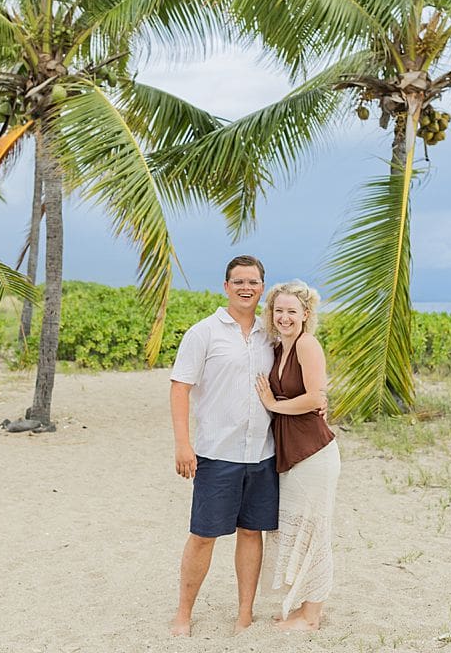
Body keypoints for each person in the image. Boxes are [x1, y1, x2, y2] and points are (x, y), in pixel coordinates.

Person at [168, 255, 277, 637]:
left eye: (253, 281)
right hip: (217, 453)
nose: (246, 288)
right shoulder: (204, 333)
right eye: (239, 281)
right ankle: (183, 614)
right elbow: (180, 388)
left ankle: (245, 614)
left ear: (262, 287)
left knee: (251, 532)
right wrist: (183, 445)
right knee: (203, 535)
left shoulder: (271, 335)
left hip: (263, 454)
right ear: (226, 286)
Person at [254, 279, 340, 631]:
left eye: (292, 311)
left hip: (313, 453)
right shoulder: (279, 347)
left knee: (314, 530)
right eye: (279, 311)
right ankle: (302, 608)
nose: (284, 317)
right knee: (297, 528)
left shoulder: (306, 344)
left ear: (306, 314)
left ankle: (311, 616)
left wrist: (273, 404)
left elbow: (316, 397)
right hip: (291, 453)